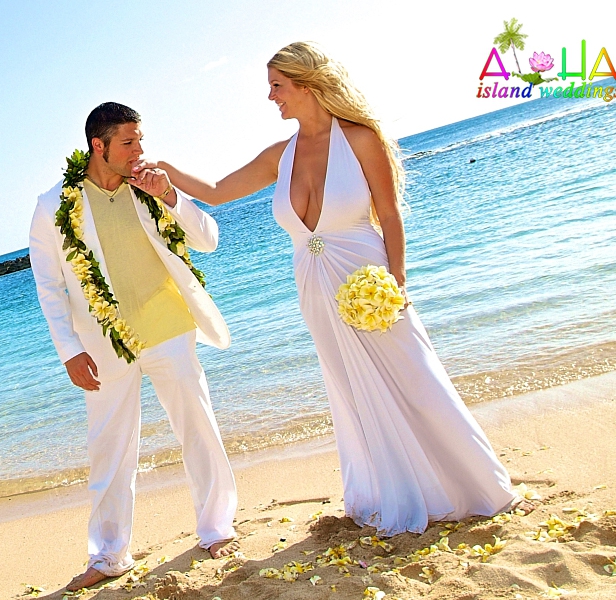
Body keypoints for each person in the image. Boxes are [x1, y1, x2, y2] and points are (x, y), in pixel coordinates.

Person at [135, 42, 531, 535]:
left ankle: (474, 485)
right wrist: (165, 176)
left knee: (416, 377)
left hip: (370, 280)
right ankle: (392, 491)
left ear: (305, 84)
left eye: (277, 86)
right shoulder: (281, 156)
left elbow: (389, 213)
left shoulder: (362, 139)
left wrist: (397, 280)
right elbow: (217, 192)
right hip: (315, 288)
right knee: (351, 391)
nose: (270, 97)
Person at [29, 102, 239, 591]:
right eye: (129, 142)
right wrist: (68, 350)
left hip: (169, 327)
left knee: (198, 428)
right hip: (103, 347)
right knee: (110, 451)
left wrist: (169, 196)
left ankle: (216, 529)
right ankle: (107, 556)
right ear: (98, 146)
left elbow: (208, 239)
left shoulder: (151, 184)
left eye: (140, 140)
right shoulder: (53, 206)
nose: (140, 151)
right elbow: (49, 286)